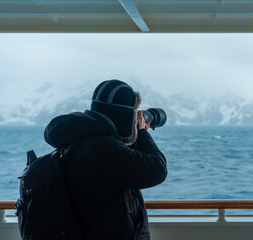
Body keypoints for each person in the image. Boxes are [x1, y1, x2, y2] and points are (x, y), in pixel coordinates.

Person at [43, 80, 167, 240]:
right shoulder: (103, 149)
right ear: (124, 115)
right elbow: (157, 170)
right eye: (133, 113)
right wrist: (141, 132)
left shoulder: (83, 139)